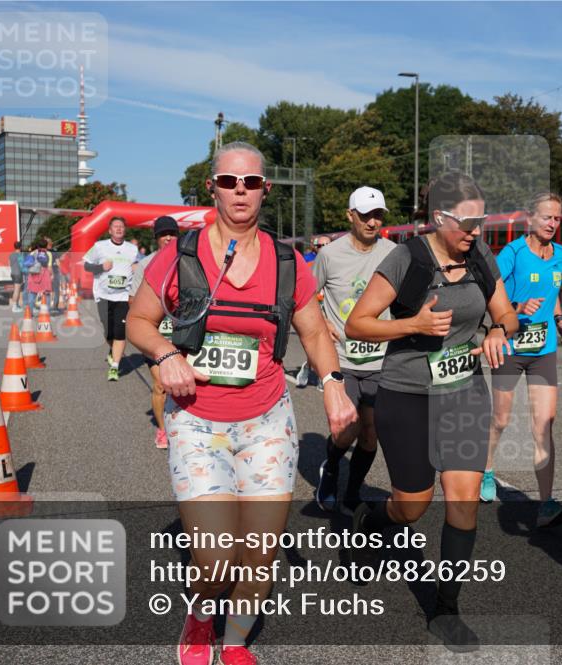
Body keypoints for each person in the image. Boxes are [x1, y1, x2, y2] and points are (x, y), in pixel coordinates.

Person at [127, 141, 356, 665]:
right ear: (212, 187)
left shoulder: (286, 262)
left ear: (264, 190)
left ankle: (232, 643)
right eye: (229, 182)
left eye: (250, 182)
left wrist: (334, 382)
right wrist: (164, 354)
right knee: (216, 557)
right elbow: (139, 321)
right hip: (198, 422)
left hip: (268, 420)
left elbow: (315, 332)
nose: (239, 191)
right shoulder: (178, 256)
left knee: (259, 555)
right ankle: (202, 613)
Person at [345, 171, 518, 652]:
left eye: (481, 220)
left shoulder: (480, 257)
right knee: (413, 505)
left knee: (462, 501)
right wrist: (413, 324)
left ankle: (446, 610)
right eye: (466, 222)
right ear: (439, 218)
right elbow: (357, 325)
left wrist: (500, 330)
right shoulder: (406, 260)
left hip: (464, 390)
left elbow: (505, 311)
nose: (476, 231)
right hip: (407, 394)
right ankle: (374, 520)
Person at [482, 193, 562, 527]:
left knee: (544, 426)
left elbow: (555, 290)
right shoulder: (513, 253)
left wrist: (560, 320)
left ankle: (546, 504)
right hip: (509, 347)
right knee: (501, 420)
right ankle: (487, 470)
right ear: (530, 219)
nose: (552, 224)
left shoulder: (561, 254)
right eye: (547, 217)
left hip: (544, 350)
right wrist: (517, 310)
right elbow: (490, 291)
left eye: (557, 219)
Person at [312, 186, 396, 514]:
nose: (373, 222)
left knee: (371, 433)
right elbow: (303, 297)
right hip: (342, 358)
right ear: (350, 215)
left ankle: (352, 492)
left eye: (378, 215)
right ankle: (331, 467)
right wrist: (320, 322)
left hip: (380, 359)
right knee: (345, 430)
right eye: (365, 215)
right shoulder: (329, 255)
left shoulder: (393, 253)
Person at [130, 216, 180, 449]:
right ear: (156, 238)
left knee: (185, 384)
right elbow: (133, 301)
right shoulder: (145, 264)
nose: (168, 237)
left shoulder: (188, 261)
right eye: (163, 234)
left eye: (172, 233)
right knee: (161, 384)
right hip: (156, 333)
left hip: (183, 332)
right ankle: (162, 430)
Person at [84, 217, 141, 381]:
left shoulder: (132, 249)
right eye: (115, 226)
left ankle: (115, 367)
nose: (119, 229)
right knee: (108, 332)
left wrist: (137, 267)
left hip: (123, 296)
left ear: (125, 230)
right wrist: (101, 267)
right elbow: (86, 265)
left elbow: (138, 266)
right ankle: (113, 350)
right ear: (110, 230)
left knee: (120, 332)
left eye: (121, 226)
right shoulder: (100, 246)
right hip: (103, 295)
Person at [295, 235, 331, 388]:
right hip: (313, 304)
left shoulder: (337, 259)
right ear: (315, 247)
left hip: (330, 305)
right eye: (321, 246)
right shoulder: (307, 260)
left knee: (330, 341)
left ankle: (324, 375)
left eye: (327, 245)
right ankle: (310, 366)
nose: (324, 248)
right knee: (317, 340)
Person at [25, 241, 53, 313]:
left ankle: (30, 313)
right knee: (47, 294)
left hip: (34, 275)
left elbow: (28, 264)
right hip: (44, 274)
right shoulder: (48, 254)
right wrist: (52, 275)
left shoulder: (33, 253)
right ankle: (47, 312)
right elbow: (49, 267)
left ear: (38, 246)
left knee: (32, 293)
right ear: (46, 246)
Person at [9, 241, 24, 312]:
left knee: (17, 289)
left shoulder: (11, 255)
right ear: (20, 247)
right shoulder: (20, 255)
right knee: (17, 290)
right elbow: (22, 266)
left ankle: (16, 305)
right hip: (18, 273)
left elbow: (9, 263)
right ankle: (14, 307)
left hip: (13, 273)